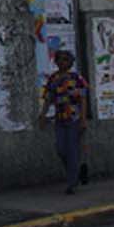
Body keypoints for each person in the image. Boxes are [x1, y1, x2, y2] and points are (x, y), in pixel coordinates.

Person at [41, 50, 89, 194]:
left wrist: (83, 119)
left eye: (66, 60)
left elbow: (83, 99)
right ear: (56, 62)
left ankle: (72, 183)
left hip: (74, 119)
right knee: (61, 150)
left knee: (72, 150)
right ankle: (75, 171)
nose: (63, 63)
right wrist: (43, 115)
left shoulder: (76, 78)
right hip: (60, 119)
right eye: (60, 60)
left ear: (70, 63)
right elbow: (48, 98)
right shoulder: (53, 79)